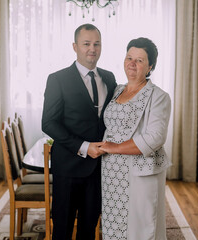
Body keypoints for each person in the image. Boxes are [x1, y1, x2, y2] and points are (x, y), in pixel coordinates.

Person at [42, 24, 117, 240]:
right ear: (75, 47)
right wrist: (84, 147)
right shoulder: (58, 79)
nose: (92, 49)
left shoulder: (109, 78)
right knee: (63, 228)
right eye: (86, 44)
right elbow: (48, 123)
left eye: (96, 44)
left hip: (99, 169)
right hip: (68, 166)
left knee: (90, 226)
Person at [99, 37, 171, 240]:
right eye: (129, 57)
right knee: (113, 224)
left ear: (150, 66)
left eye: (139, 60)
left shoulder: (159, 96)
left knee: (142, 226)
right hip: (111, 171)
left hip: (140, 171)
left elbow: (156, 137)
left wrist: (115, 147)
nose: (132, 63)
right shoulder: (116, 90)